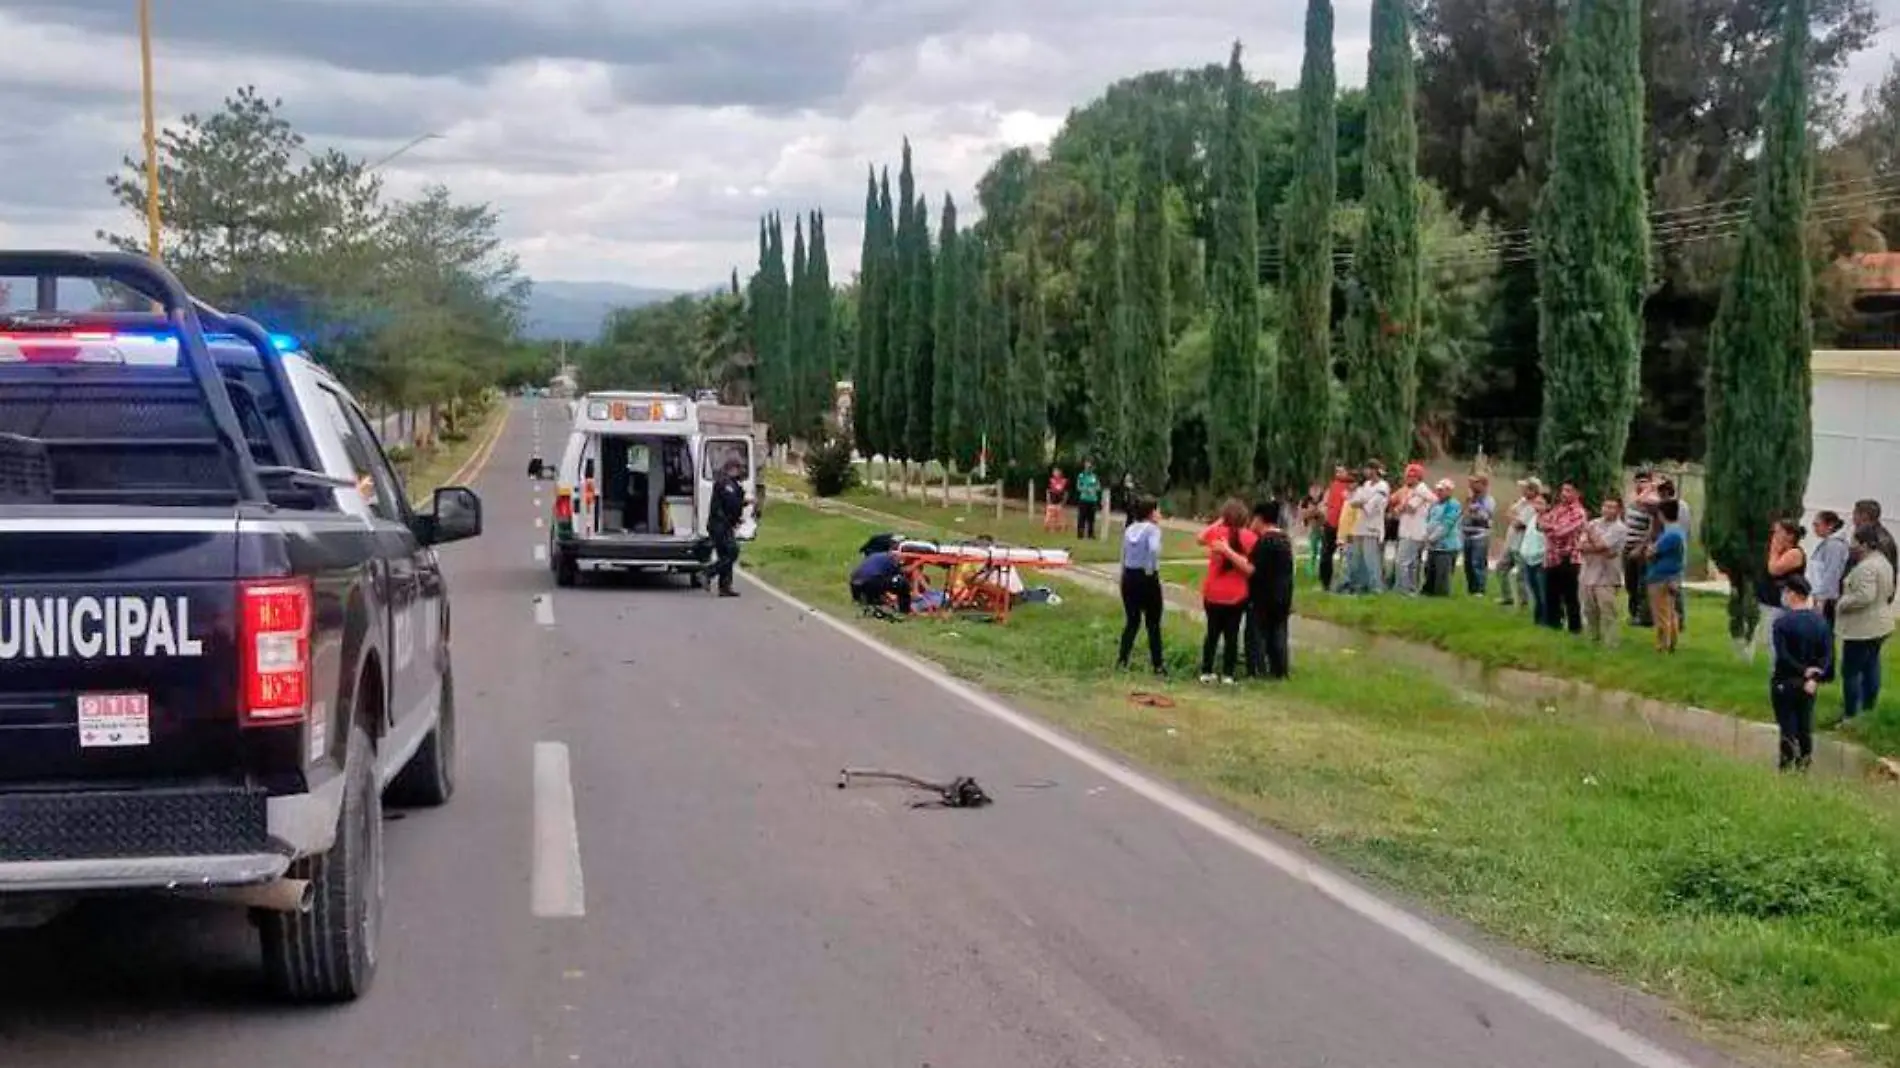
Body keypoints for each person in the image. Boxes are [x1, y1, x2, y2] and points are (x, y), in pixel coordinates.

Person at [1768, 575, 1831, 771]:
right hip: (1809, 686)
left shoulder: (1782, 623)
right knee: (1805, 724)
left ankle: (1786, 765)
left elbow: (1783, 655)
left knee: (1787, 725)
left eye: (1785, 592)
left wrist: (1802, 671)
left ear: (1793, 595)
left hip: (1785, 681)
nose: (1783, 596)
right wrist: (1814, 677)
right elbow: (1826, 655)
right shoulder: (1820, 623)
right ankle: (1805, 763)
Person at [1835, 524, 1895, 724]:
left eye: (1855, 541)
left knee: (1851, 671)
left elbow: (1864, 596)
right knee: (1871, 665)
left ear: (1865, 544)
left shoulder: (1867, 566)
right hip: (1881, 624)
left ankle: (1851, 714)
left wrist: (1842, 603)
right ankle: (1868, 709)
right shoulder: (1883, 561)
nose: (1852, 545)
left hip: (1864, 627)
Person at [1196, 499, 1257, 684]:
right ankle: (1228, 674)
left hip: (1212, 592)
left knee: (1212, 633)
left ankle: (1206, 671)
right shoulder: (1249, 537)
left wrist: (1217, 522)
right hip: (1236, 595)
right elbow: (1251, 568)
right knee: (1232, 635)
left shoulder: (1216, 533)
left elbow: (1199, 538)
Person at [1244, 500, 1295, 679]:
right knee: (1279, 635)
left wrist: (1227, 551)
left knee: (1256, 635)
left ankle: (1257, 670)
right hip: (1283, 596)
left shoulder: (1265, 541)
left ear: (1259, 519)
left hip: (1262, 597)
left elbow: (1251, 568)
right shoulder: (1285, 541)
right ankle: (1280, 671)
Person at [1116, 498, 1167, 675]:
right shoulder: (1153, 530)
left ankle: (1122, 660)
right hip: (1147, 577)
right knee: (1153, 623)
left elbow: (1123, 554)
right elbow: (1153, 549)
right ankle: (1158, 665)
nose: (1160, 514)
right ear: (1151, 512)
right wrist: (1150, 566)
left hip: (1129, 576)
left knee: (1132, 621)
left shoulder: (1130, 529)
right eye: (1158, 510)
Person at [1750, 519, 1808, 662]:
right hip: (1770, 601)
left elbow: (1774, 570)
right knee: (1768, 639)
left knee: (1777, 639)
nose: (1773, 536)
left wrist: (1774, 549)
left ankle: (1781, 668)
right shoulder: (1779, 552)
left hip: (1783, 603)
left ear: (1789, 536)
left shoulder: (1795, 553)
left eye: (1778, 532)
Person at [1578, 495, 1628, 647]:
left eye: (1612, 507)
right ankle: (1593, 640)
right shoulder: (1594, 523)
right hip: (1588, 573)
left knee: (1607, 611)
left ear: (1619, 510)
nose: (1607, 510)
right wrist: (1596, 547)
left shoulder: (1620, 528)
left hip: (1607, 576)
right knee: (1589, 610)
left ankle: (1611, 643)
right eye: (1605, 506)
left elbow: (1603, 545)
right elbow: (1581, 545)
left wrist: (1593, 541)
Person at [1539, 481, 1588, 633]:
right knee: (1551, 594)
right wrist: (1551, 527)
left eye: (1568, 491)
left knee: (1570, 597)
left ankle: (1575, 628)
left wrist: (1550, 528)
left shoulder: (1579, 512)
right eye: (1563, 490)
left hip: (1569, 558)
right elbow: (1540, 523)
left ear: (1577, 493)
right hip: (1552, 557)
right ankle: (1553, 625)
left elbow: (1562, 531)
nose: (1564, 494)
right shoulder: (1558, 509)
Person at [1645, 500, 1687, 653]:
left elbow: (1651, 552)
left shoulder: (1670, 534)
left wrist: (1650, 550)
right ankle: (1672, 642)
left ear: (1662, 514)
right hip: (1671, 576)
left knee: (1661, 613)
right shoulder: (1679, 531)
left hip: (1660, 576)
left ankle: (1663, 645)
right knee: (1670, 611)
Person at [1344, 460, 1390, 595]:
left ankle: (1377, 587)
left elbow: (1373, 506)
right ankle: (1360, 585)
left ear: (1374, 470)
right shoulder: (1366, 485)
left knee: (1372, 559)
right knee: (1359, 558)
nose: (1365, 472)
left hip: (1373, 528)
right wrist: (1359, 500)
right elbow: (1355, 501)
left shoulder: (1382, 486)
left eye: (1368, 469)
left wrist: (1363, 503)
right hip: (1361, 526)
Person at [704, 458, 746, 597]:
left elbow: (733, 503)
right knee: (732, 552)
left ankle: (725, 587)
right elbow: (731, 503)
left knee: (725, 554)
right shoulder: (725, 484)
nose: (740, 472)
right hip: (720, 525)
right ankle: (708, 572)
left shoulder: (731, 484)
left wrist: (742, 505)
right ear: (732, 469)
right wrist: (743, 503)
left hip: (723, 524)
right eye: (738, 469)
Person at [1394, 463, 1434, 596]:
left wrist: (1401, 507)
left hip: (1414, 532)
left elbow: (1410, 508)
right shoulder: (1412, 491)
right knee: (1411, 563)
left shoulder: (1421, 491)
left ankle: (1405, 589)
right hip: (1407, 530)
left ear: (1419, 477)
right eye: (1407, 475)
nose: (1409, 478)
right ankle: (1410, 588)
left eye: (1412, 476)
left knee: (1403, 562)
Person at [1497, 479, 1537, 608]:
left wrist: (1513, 516)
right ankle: (1506, 596)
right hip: (1511, 542)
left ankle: (1523, 601)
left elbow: (1519, 524)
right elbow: (1509, 513)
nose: (1522, 491)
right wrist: (1513, 516)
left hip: (1522, 545)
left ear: (1533, 490)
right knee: (1501, 568)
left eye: (1525, 488)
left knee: (1521, 575)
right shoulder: (1522, 501)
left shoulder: (1534, 506)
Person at [1623, 471, 1655, 626]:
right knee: (1630, 583)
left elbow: (1652, 529)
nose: (1640, 485)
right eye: (1637, 481)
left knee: (1642, 584)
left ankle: (1644, 616)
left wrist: (1640, 548)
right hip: (1627, 546)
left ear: (1650, 483)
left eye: (1644, 481)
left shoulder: (1650, 504)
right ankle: (1633, 613)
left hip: (1640, 549)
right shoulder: (1632, 502)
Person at [1807, 510, 1850, 628]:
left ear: (1830, 525)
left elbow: (1832, 573)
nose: (1814, 528)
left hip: (1825, 600)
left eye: (1817, 525)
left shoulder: (1834, 545)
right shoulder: (1828, 543)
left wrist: (1822, 599)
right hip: (1819, 596)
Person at [1423, 479, 1463, 597]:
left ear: (1449, 491)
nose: (1438, 492)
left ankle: (1441, 594)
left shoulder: (1453, 505)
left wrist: (1432, 538)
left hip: (1447, 545)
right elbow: (1429, 519)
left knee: (1442, 573)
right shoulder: (1435, 504)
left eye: (1442, 490)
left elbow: (1447, 525)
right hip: (1433, 545)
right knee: (1430, 570)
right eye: (1438, 490)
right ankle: (1428, 591)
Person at [1318, 465, 1353, 591]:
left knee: (1347, 555)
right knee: (1326, 554)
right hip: (1331, 524)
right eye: (1337, 471)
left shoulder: (1351, 487)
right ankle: (1325, 582)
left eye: (1341, 471)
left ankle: (1345, 583)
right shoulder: (1332, 486)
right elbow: (1325, 503)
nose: (1338, 473)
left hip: (1345, 525)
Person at [1517, 488, 1550, 623]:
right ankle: (1537, 619)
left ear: (1549, 506)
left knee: (1543, 593)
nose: (1537, 506)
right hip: (1528, 559)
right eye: (1536, 503)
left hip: (1541, 561)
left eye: (1541, 503)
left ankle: (1546, 620)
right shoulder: (1533, 518)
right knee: (1535, 592)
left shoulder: (1549, 520)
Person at [849, 549, 911, 616]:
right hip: (871, 582)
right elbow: (897, 576)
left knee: (878, 582)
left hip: (855, 583)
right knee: (903, 584)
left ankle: (864, 601)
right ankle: (904, 611)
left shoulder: (875, 556)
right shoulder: (890, 562)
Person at [1461, 475, 1495, 596]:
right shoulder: (1469, 499)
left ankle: (1480, 589)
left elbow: (1485, 517)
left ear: (1483, 485)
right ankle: (1471, 588)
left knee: (1478, 562)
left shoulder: (1488, 500)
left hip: (1480, 534)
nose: (1472, 486)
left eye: (1476, 483)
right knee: (1468, 563)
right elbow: (1463, 513)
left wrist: (1475, 508)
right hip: (1466, 533)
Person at [1075, 460, 1102, 540]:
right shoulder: (1081, 475)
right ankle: (1080, 534)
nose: (1088, 468)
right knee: (1081, 517)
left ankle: (1090, 534)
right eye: (1087, 466)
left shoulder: (1094, 476)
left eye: (1089, 467)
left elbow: (1098, 486)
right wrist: (1086, 489)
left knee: (1091, 518)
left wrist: (1094, 489)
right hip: (1084, 499)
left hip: (1093, 500)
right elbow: (1078, 486)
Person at [1044, 467, 1069, 533]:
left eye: (1057, 472)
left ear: (1060, 473)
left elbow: (1066, 492)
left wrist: (1064, 501)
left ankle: (1062, 528)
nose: (1056, 473)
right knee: (1049, 518)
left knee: (1060, 517)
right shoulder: (1051, 480)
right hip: (1051, 502)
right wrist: (1048, 499)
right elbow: (1048, 491)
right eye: (1055, 472)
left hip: (1059, 502)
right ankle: (1049, 528)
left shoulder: (1064, 481)